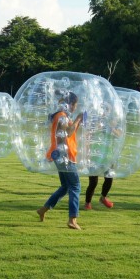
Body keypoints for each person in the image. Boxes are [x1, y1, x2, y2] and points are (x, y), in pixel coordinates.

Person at [37, 92, 83, 230]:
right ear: (70, 104)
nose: (75, 108)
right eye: (75, 105)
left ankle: (43, 209)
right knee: (75, 186)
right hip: (65, 156)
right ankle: (72, 219)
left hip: (60, 155)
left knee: (65, 187)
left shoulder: (60, 116)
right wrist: (79, 119)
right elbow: (68, 133)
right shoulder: (62, 116)